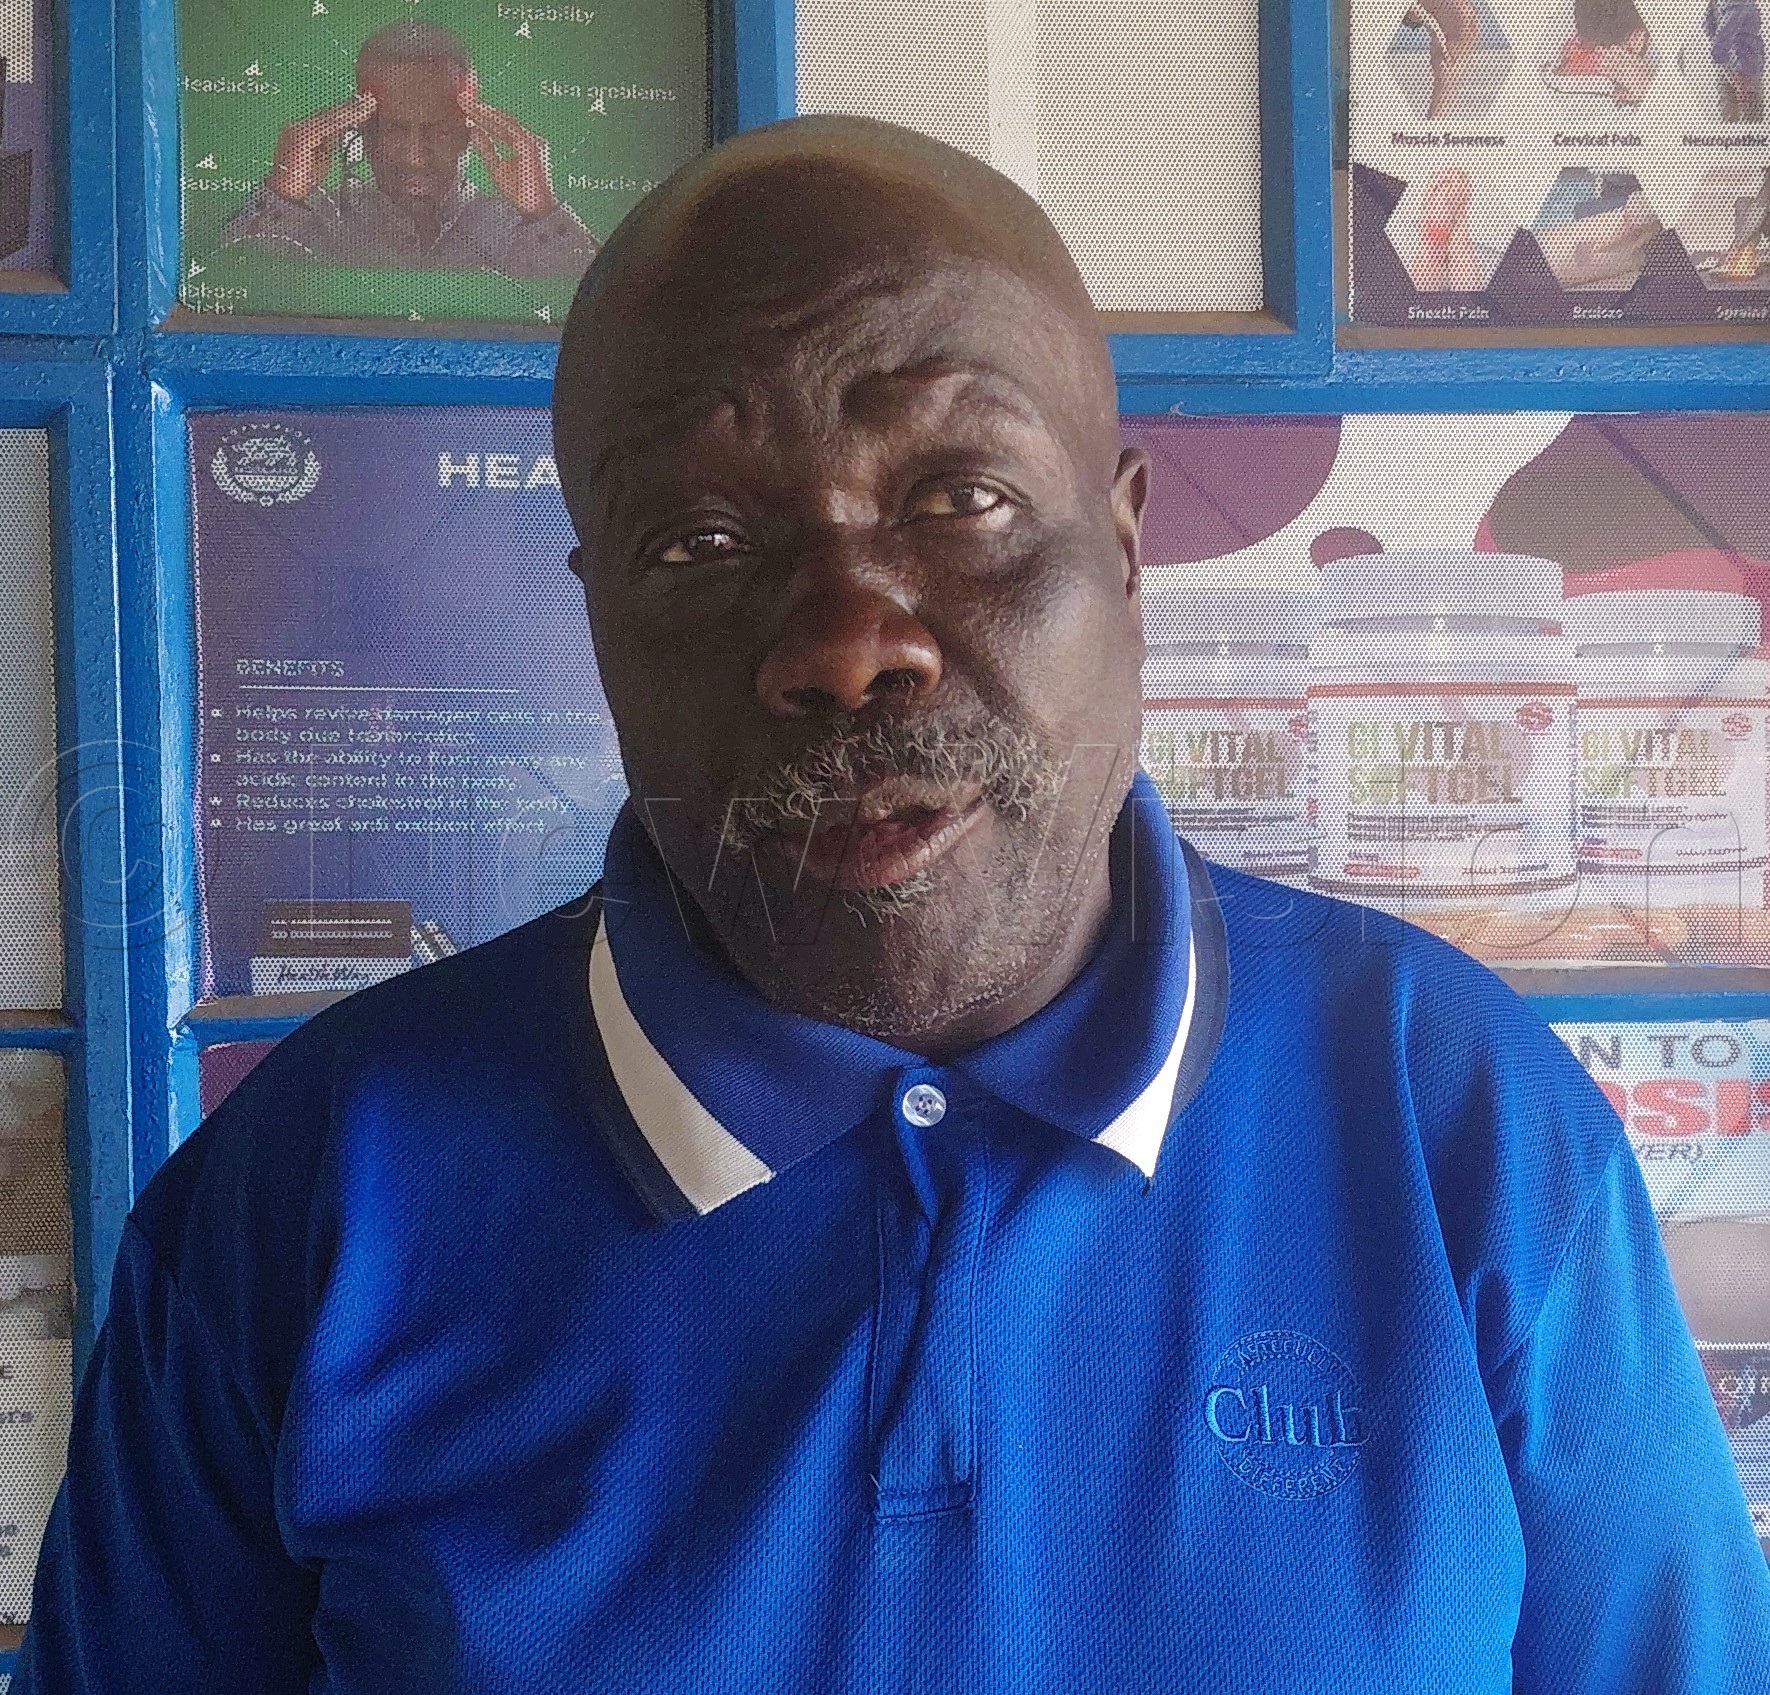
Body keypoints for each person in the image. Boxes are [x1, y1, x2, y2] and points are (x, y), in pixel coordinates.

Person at [17, 116, 1770, 1691]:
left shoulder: (1455, 1112)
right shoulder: (306, 1199)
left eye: (963, 496)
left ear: (1131, 545)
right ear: (597, 617)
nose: (855, 640)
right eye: (702, 542)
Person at [223, 20, 595, 279]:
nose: (416, 157)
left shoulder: (517, 230)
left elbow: (600, 314)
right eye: (396, 130)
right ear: (363, 129)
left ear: (471, 130)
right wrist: (283, 194)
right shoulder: (318, 222)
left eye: (439, 130)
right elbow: (237, 284)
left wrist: (542, 210)